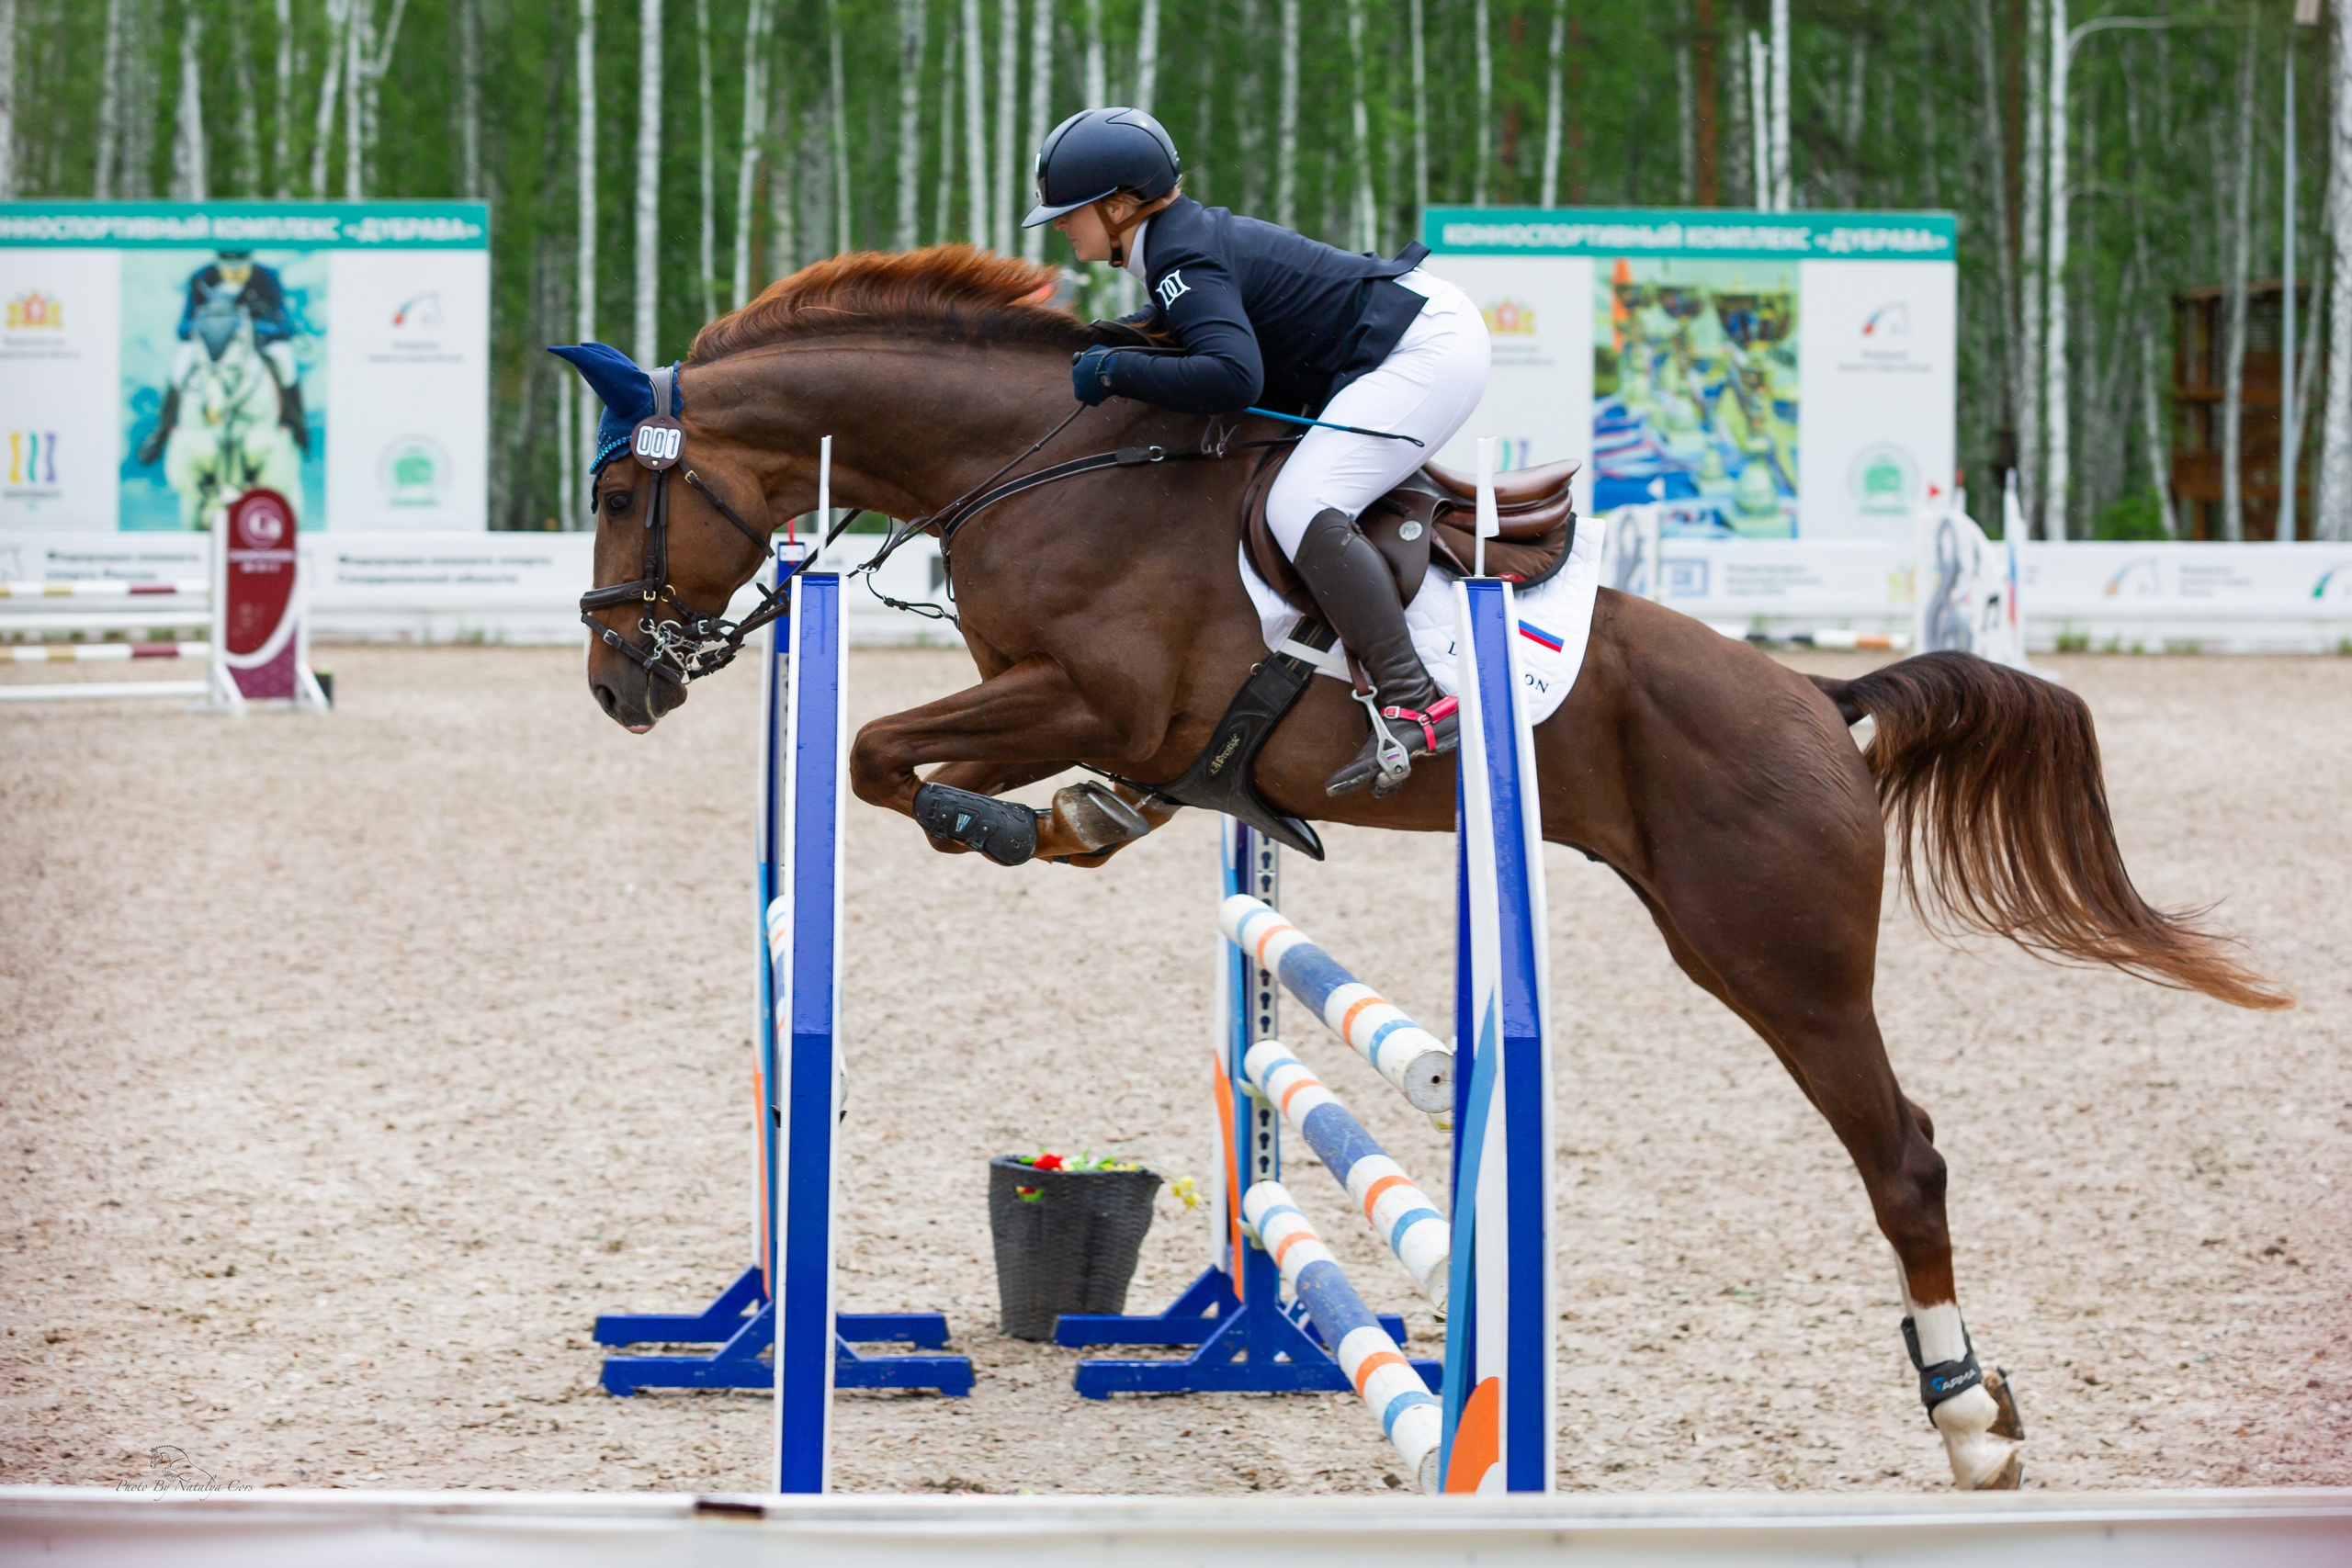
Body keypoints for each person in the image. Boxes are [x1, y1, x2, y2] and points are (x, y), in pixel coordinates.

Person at [1023, 107, 1491, 798]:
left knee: (1301, 503)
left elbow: (1234, 377)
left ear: (1120, 208)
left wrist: (1114, 371)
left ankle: (1414, 695)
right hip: (1408, 338)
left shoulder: (1181, 256)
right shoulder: (1175, 248)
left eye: (1072, 211)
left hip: (1423, 352)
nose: (1060, 224)